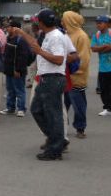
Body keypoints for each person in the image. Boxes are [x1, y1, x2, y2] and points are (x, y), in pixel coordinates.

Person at [10, 8, 69, 160]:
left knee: (53, 114)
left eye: (38, 22)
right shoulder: (49, 34)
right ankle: (57, 139)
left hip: (53, 79)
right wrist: (23, 34)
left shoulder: (55, 37)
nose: (37, 24)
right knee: (36, 109)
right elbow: (35, 45)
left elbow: (59, 59)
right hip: (46, 78)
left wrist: (40, 52)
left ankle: (54, 150)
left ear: (42, 23)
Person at [61, 11, 92, 138]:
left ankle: (80, 128)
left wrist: (76, 71)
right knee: (62, 105)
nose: (62, 22)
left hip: (76, 77)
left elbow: (84, 58)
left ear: (70, 21)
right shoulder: (65, 34)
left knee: (78, 105)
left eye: (64, 19)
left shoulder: (81, 36)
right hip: (65, 76)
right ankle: (61, 128)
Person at [91, 15, 111, 117]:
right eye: (97, 23)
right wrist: (105, 46)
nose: (98, 25)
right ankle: (107, 108)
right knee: (105, 89)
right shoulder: (95, 35)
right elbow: (93, 49)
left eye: (100, 23)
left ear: (106, 24)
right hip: (103, 67)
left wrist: (101, 48)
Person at [1, 20, 31, 116]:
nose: (7, 28)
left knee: (19, 90)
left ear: (15, 28)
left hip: (17, 70)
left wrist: (18, 70)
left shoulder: (21, 40)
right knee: (10, 90)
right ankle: (10, 108)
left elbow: (23, 57)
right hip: (9, 69)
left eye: (9, 27)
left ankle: (21, 109)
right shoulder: (8, 38)